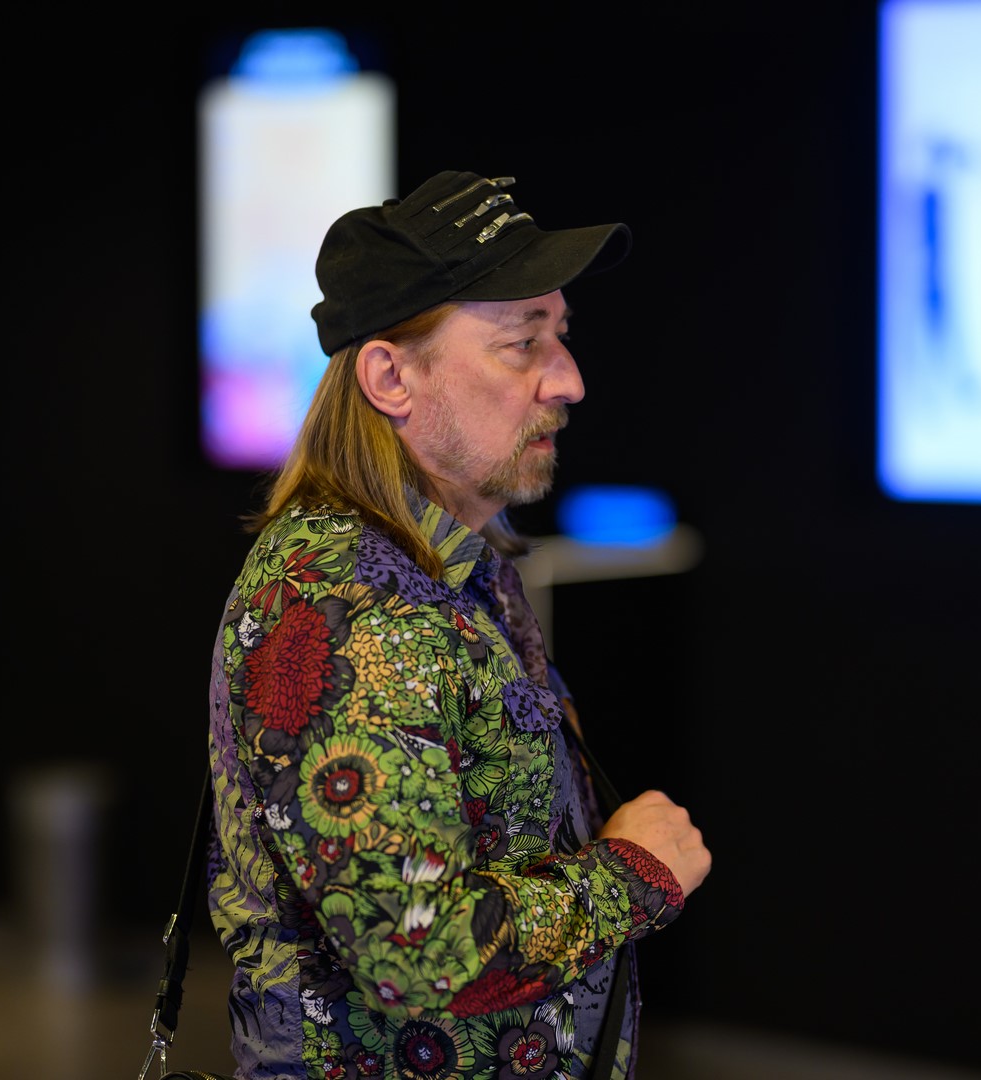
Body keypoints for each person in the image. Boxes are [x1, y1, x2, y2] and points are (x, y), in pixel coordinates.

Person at [204, 169, 711, 1080]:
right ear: (391, 377)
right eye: (522, 344)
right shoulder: (346, 604)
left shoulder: (459, 564)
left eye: (561, 335)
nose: (570, 380)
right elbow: (415, 945)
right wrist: (634, 872)